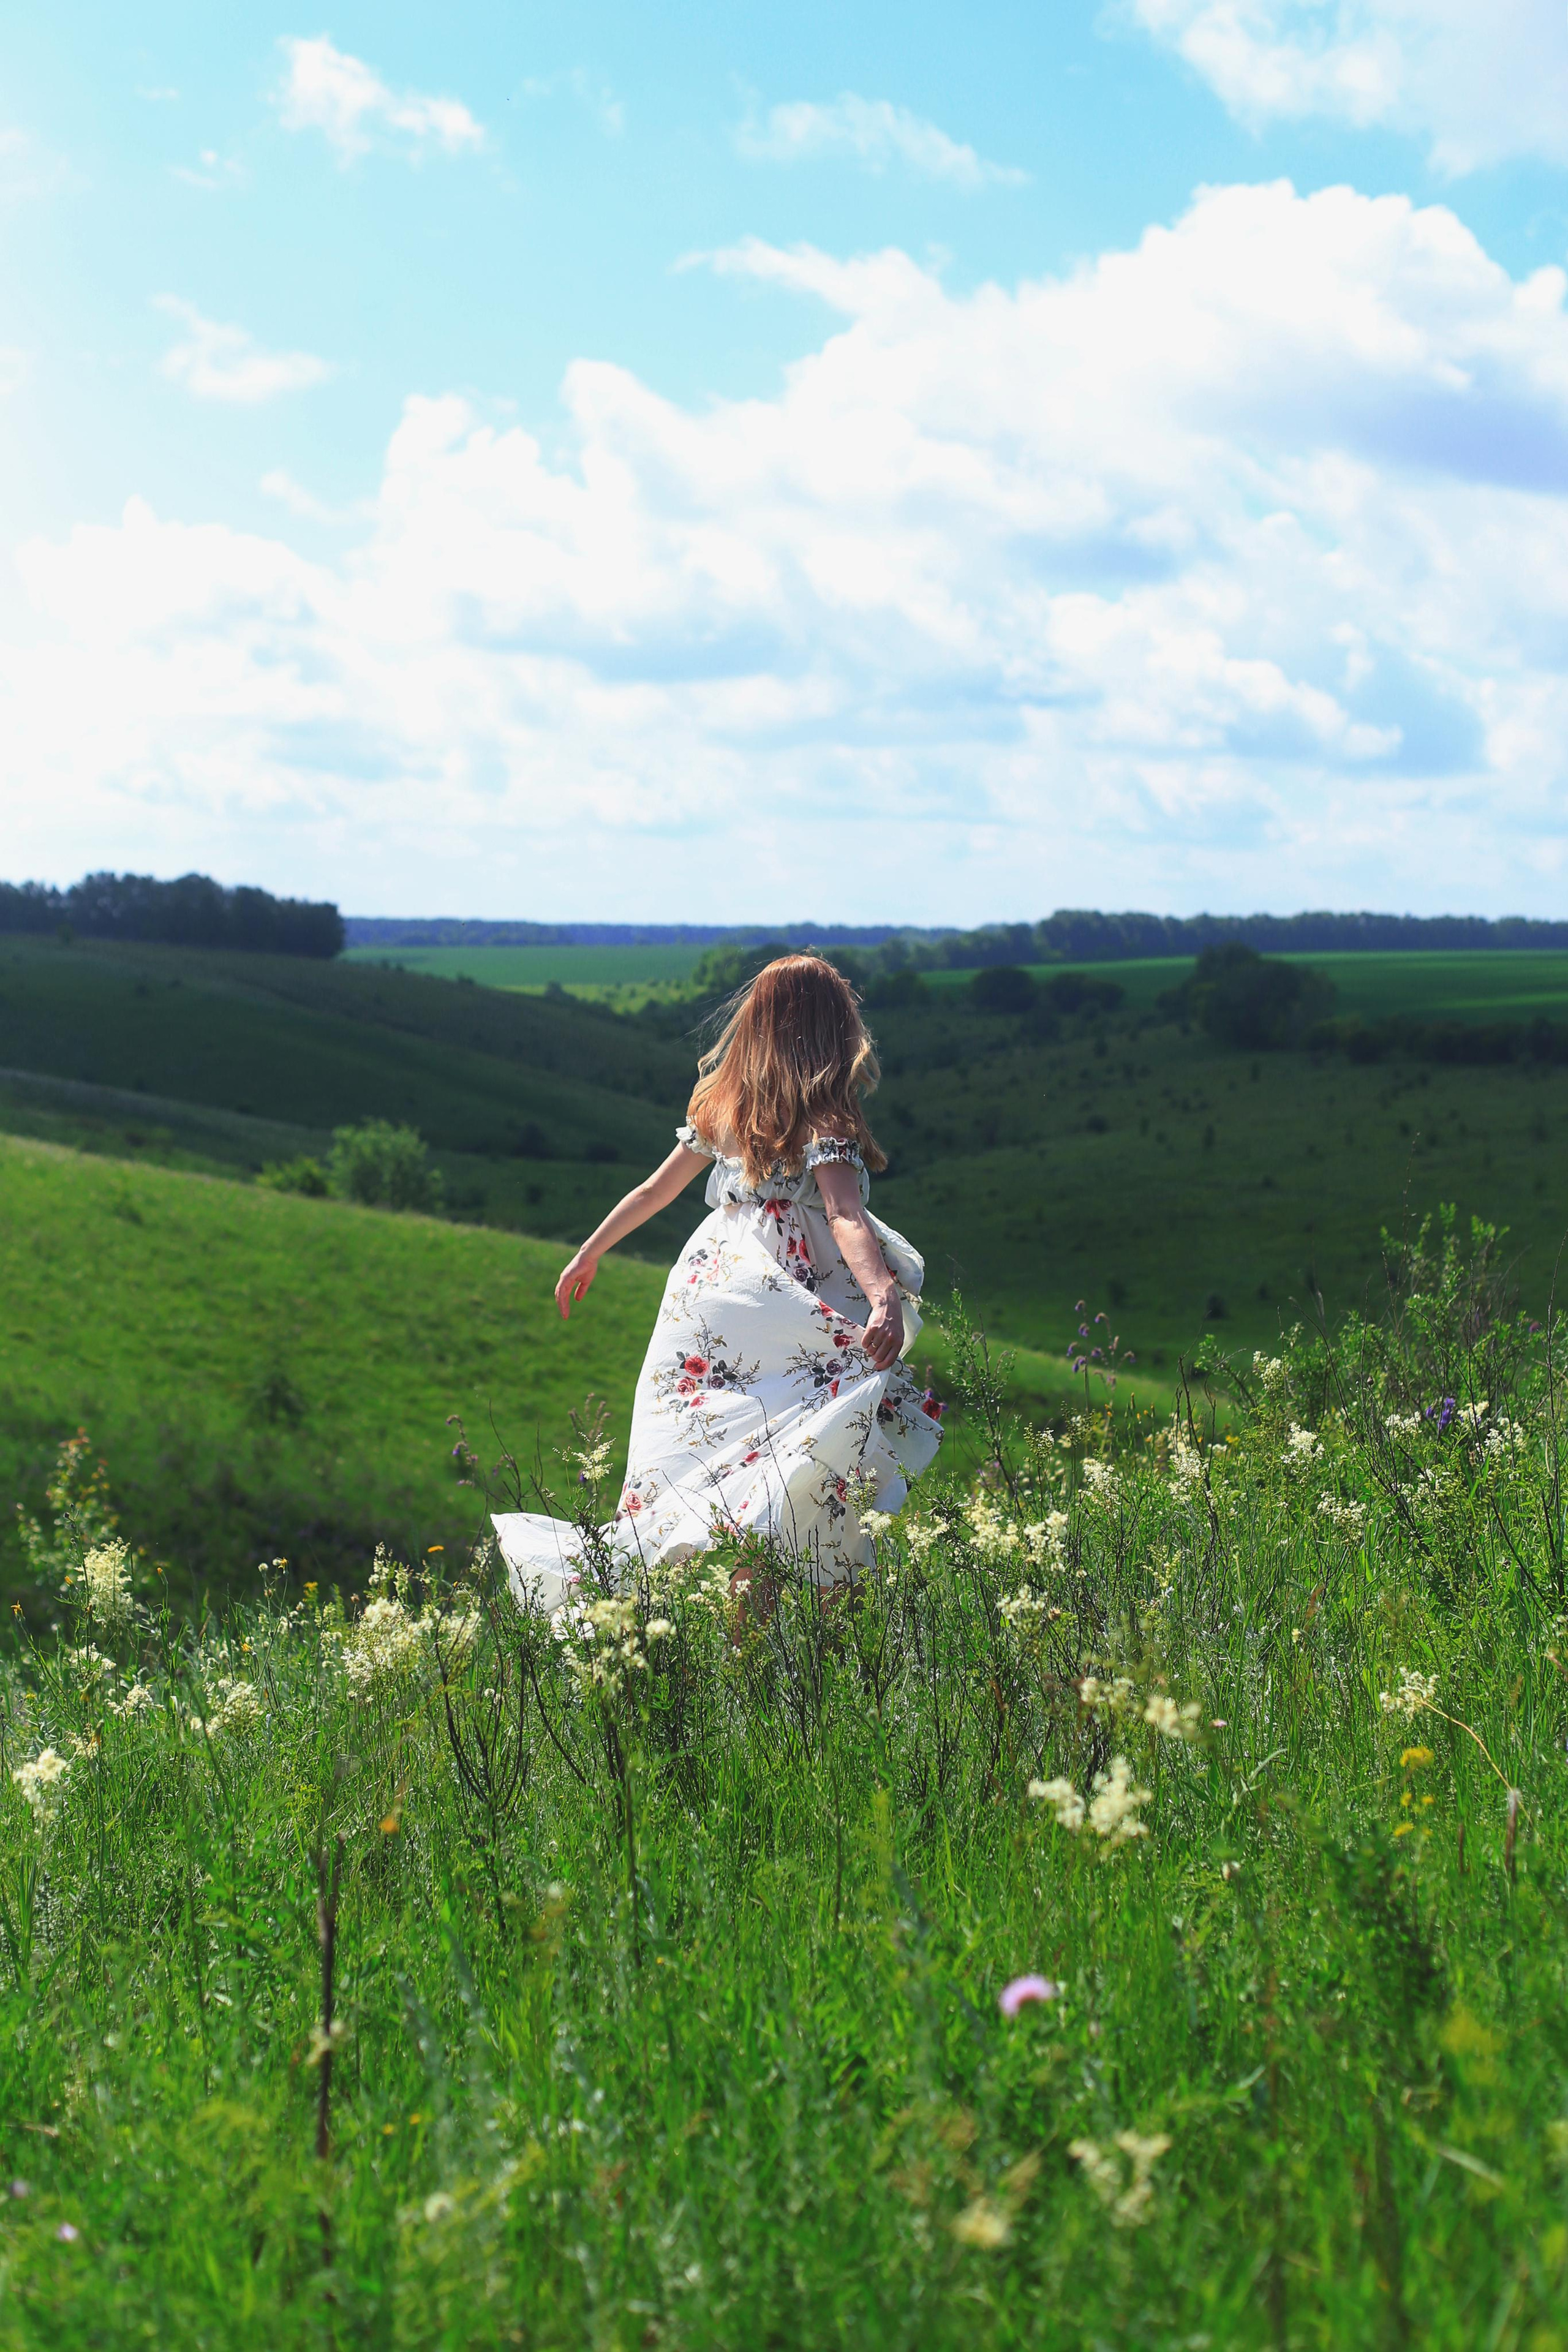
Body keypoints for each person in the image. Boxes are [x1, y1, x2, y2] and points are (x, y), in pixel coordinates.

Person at [491, 954, 944, 1610]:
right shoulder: (826, 1120)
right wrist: (881, 1297)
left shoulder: (722, 1108)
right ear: (831, 1028)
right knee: (807, 1453)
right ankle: (772, 1619)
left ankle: (678, 1607)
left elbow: (654, 1191)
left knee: (721, 1450)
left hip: (717, 1290)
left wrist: (589, 1251)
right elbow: (844, 1216)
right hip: (793, 1298)